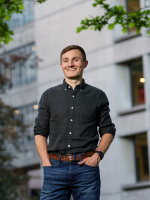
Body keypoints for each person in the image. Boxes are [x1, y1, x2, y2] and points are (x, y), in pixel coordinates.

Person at [34, 45, 116, 200]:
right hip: (54, 167)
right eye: (65, 60)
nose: (70, 64)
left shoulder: (98, 96)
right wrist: (46, 163)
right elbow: (40, 132)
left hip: (86, 168)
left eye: (75, 60)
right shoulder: (49, 96)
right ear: (61, 65)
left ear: (85, 63)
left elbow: (108, 130)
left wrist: (98, 155)